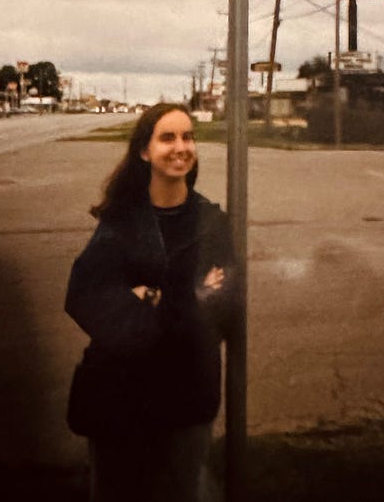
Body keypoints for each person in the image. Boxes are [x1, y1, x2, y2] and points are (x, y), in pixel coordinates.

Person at [64, 102, 234, 502]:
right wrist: (188, 297)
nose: (181, 147)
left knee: (184, 490)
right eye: (168, 137)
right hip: (122, 394)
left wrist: (151, 297)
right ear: (145, 151)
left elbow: (225, 304)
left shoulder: (212, 223)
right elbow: (85, 296)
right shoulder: (122, 220)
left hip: (188, 391)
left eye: (188, 136)